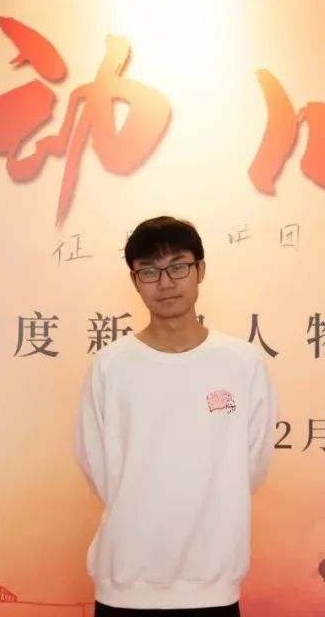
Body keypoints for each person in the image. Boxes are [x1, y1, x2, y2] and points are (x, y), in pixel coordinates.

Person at [74, 215, 279, 616]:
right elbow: (95, 462)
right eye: (149, 271)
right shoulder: (111, 365)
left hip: (213, 587)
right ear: (135, 280)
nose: (165, 282)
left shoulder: (242, 363)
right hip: (125, 584)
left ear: (200, 270)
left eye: (178, 267)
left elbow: (251, 464)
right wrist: (140, 504)